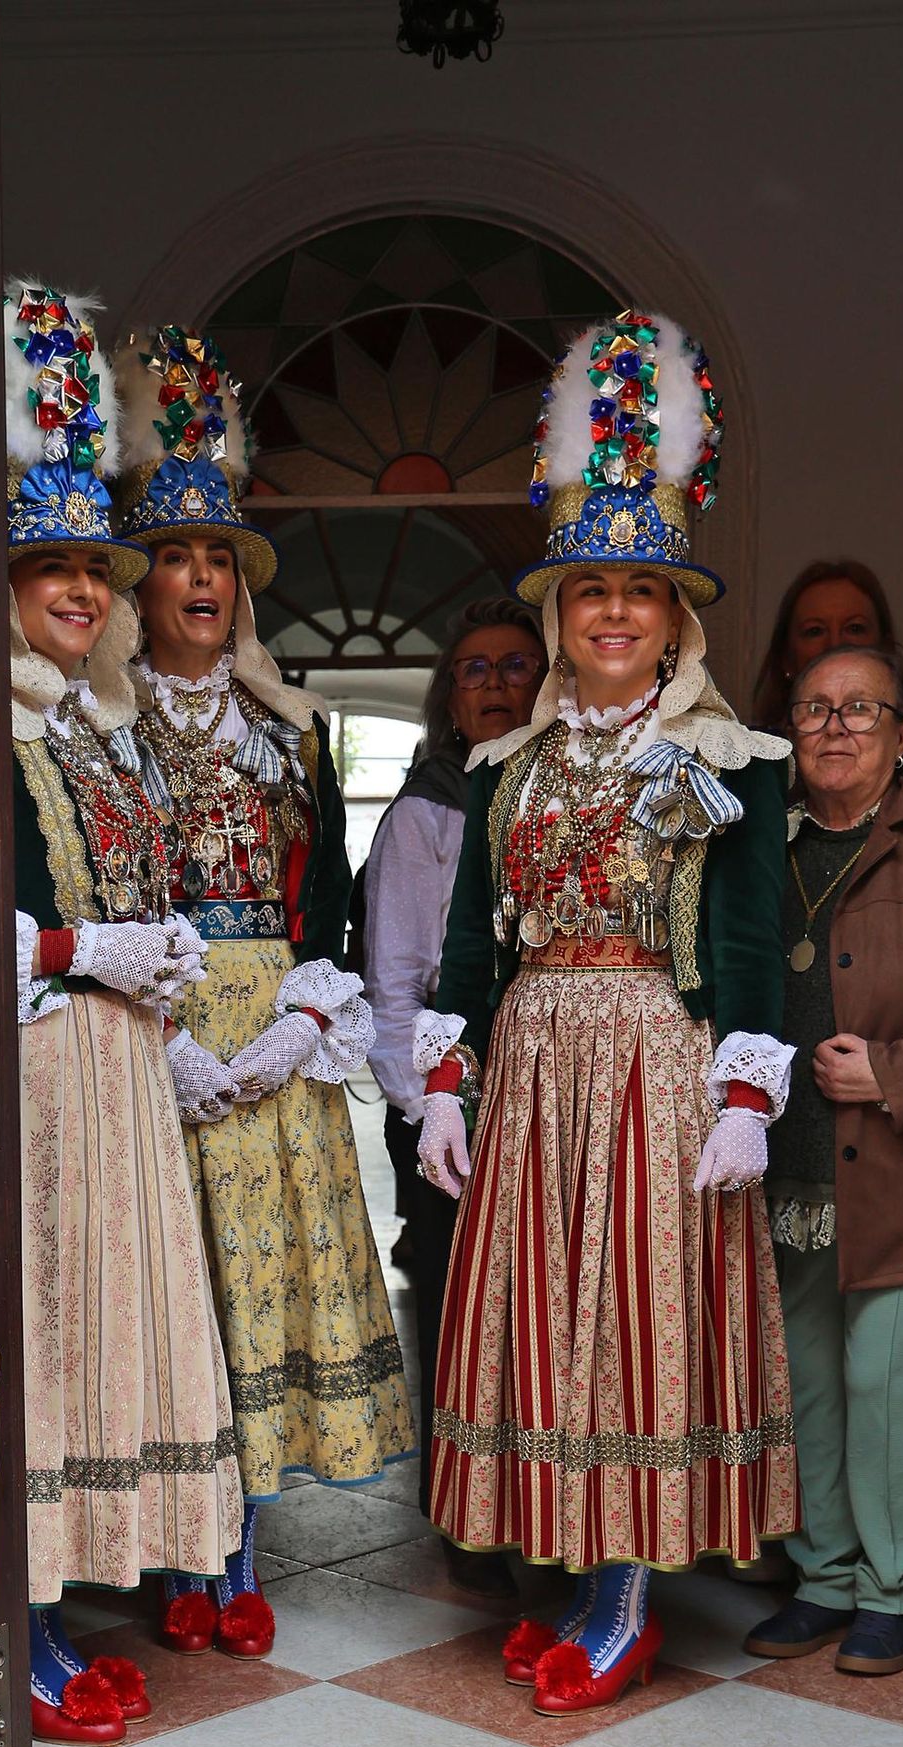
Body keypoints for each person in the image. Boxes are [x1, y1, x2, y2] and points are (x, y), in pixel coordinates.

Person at [417, 310, 799, 1716]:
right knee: (548, 1327)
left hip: (653, 1065)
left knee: (633, 1327)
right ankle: (582, 1581)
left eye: (640, 594)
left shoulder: (729, 761)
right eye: (590, 596)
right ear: (560, 617)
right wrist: (449, 1080)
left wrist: (747, 1097)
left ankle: (630, 1599)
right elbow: (472, 944)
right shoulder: (507, 766)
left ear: (676, 615)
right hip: (533, 1070)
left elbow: (752, 940)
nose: (614, 616)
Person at [112, 322, 413, 1658]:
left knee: (255, 1292)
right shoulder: (100, 726)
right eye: (177, 557)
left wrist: (308, 1013)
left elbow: (329, 899)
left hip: (271, 1030)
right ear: (142, 583)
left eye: (218, 559)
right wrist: (159, 1028)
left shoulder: (286, 728)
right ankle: (178, 1555)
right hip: (154, 1023)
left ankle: (236, 1558)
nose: (199, 579)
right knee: (178, 1290)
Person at [4, 283, 243, 1744]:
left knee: (104, 1332)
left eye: (95, 569)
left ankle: (69, 1596)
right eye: (55, 571)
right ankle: (26, 1626)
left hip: (117, 1072)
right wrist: (91, 942)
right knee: (50, 1328)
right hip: (43, 1071)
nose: (86, 593)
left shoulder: (84, 722)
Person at [743, 647, 903, 1673]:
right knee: (803, 1378)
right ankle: (823, 1575)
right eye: (814, 709)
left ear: (901, 736)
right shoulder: (763, 841)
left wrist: (891, 1072)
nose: (834, 726)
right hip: (787, 1164)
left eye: (861, 709)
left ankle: (890, 1589)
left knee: (885, 1377)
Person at [364, 598, 545, 1517]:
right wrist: (422, 1110)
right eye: (474, 670)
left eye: (516, 665)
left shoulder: (561, 789)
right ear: (449, 697)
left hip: (556, 1085)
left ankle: (539, 1497)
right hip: (449, 1096)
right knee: (456, 1306)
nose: (496, 685)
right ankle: (461, 1507)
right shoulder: (429, 813)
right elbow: (396, 979)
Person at [750, 560, 903, 786]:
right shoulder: (754, 778)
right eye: (815, 631)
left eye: (854, 628)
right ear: (785, 657)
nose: (836, 644)